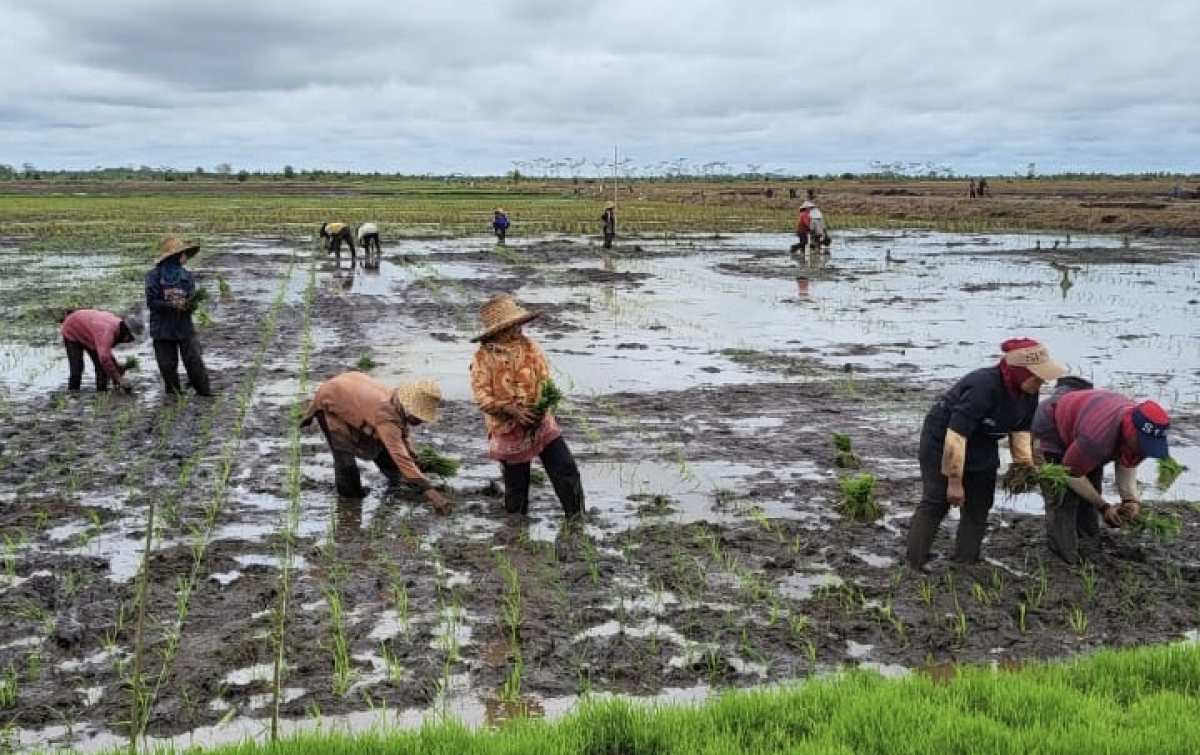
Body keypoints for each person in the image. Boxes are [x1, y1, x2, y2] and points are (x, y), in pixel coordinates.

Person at [905, 338, 1067, 571]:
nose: (1042, 381)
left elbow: (1020, 429)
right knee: (937, 501)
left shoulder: (1029, 392)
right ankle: (914, 562)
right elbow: (956, 436)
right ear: (1020, 371)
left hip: (983, 443)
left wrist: (1024, 465)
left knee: (980, 503)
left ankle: (966, 561)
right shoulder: (983, 386)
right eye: (1037, 376)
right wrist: (954, 480)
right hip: (944, 442)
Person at [469, 294, 585, 519]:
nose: (519, 329)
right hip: (507, 428)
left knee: (565, 468)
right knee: (517, 486)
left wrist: (541, 408)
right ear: (499, 331)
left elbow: (544, 379)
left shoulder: (530, 347)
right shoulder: (483, 358)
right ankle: (516, 532)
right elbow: (482, 397)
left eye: (518, 324)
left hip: (540, 420)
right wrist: (511, 410)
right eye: (513, 326)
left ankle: (576, 518)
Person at [1031, 382, 1171, 564]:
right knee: (1063, 497)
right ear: (1132, 432)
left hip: (1085, 424)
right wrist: (1103, 507)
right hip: (1052, 426)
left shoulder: (1133, 432)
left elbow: (1127, 462)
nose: (1144, 450)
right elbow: (1070, 473)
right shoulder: (1097, 440)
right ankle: (1062, 552)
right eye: (1143, 444)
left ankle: (1088, 542)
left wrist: (1130, 500)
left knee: (1092, 487)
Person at [300, 373, 450, 511]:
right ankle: (349, 503)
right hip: (332, 401)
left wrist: (416, 460)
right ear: (411, 410)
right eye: (420, 417)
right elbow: (399, 454)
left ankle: (397, 482)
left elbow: (403, 435)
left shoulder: (397, 403)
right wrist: (432, 493)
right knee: (345, 460)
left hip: (351, 392)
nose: (422, 421)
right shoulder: (385, 413)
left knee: (382, 443)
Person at [145, 237, 213, 397]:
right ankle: (174, 394)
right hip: (162, 328)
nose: (185, 257)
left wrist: (189, 304)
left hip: (184, 326)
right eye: (183, 254)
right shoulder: (154, 277)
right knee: (167, 365)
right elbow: (152, 302)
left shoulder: (186, 276)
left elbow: (192, 298)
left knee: (194, 360)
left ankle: (204, 393)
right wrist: (172, 305)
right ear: (174, 256)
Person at [60, 309, 144, 392]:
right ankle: (73, 394)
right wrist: (119, 379)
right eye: (130, 338)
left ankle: (101, 394)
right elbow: (104, 357)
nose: (129, 341)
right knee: (77, 368)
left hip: (90, 332)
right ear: (127, 333)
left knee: (102, 369)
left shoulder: (117, 327)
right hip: (72, 329)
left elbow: (105, 353)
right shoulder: (106, 331)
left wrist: (117, 370)